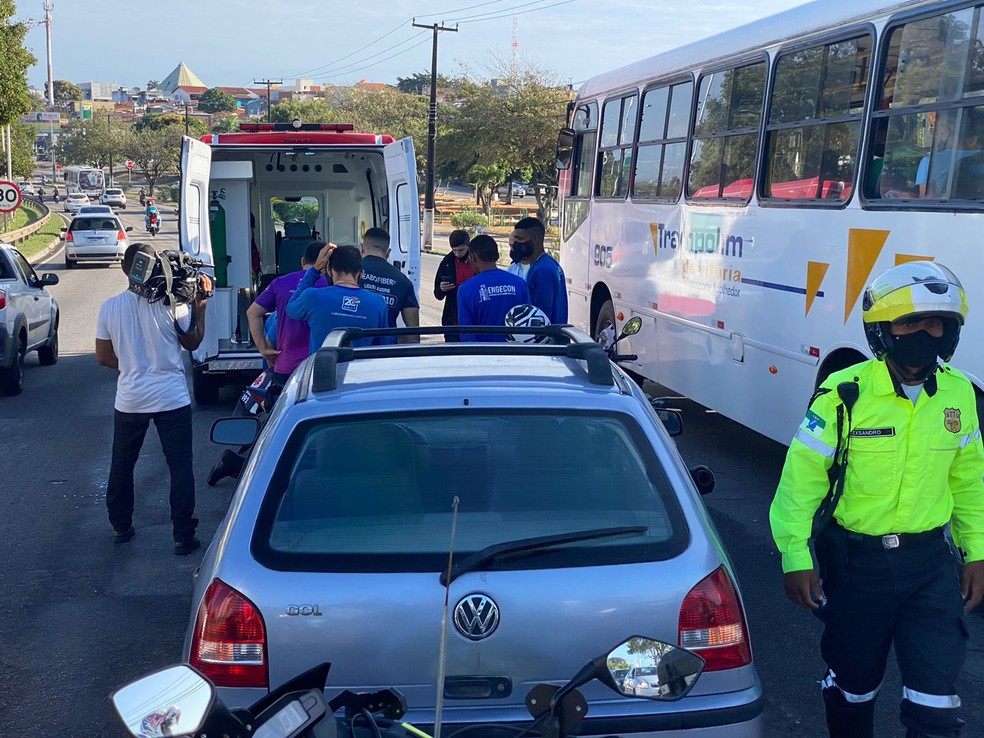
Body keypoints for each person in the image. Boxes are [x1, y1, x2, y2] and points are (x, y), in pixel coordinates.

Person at [769, 261, 984, 738]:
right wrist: (794, 554)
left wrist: (978, 552)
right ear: (882, 331)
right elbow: (800, 481)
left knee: (937, 707)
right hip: (858, 567)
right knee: (854, 692)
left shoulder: (959, 395)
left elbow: (969, 481)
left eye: (937, 324)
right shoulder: (843, 395)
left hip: (930, 566)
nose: (925, 334)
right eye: (910, 323)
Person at [95, 243, 211, 555]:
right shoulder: (174, 304)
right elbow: (193, 342)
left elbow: (104, 357)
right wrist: (201, 307)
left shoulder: (109, 307)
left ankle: (121, 527)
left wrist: (133, 365)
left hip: (130, 399)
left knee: (122, 463)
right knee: (180, 465)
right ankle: (183, 536)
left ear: (126, 269)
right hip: (171, 397)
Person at [246, 240, 328, 385]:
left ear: (303, 261)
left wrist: (263, 349)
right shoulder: (329, 284)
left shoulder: (280, 283)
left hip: (286, 365)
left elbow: (252, 312)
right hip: (320, 366)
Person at [286, 243, 388, 351]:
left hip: (322, 366)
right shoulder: (378, 302)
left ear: (329, 271)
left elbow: (291, 309)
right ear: (361, 273)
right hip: (359, 367)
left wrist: (314, 270)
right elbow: (383, 344)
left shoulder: (312, 296)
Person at [457, 234, 530, 342]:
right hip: (516, 354)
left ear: (474, 256)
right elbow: (528, 325)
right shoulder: (519, 284)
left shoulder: (466, 289)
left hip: (483, 355)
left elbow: (467, 334)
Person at [358, 226, 420, 343]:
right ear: (388, 252)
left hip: (354, 349)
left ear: (362, 248)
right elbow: (414, 335)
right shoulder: (403, 281)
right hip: (385, 351)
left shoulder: (350, 272)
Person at [508, 217, 568, 324]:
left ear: (535, 239)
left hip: (545, 338)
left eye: (520, 239)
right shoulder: (550, 263)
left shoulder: (542, 271)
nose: (516, 243)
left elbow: (541, 314)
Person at [434, 229, 475, 342]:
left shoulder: (477, 261)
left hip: (475, 318)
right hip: (453, 319)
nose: (457, 254)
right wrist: (441, 288)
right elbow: (437, 293)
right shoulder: (447, 262)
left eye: (461, 250)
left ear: (468, 245)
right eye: (454, 250)